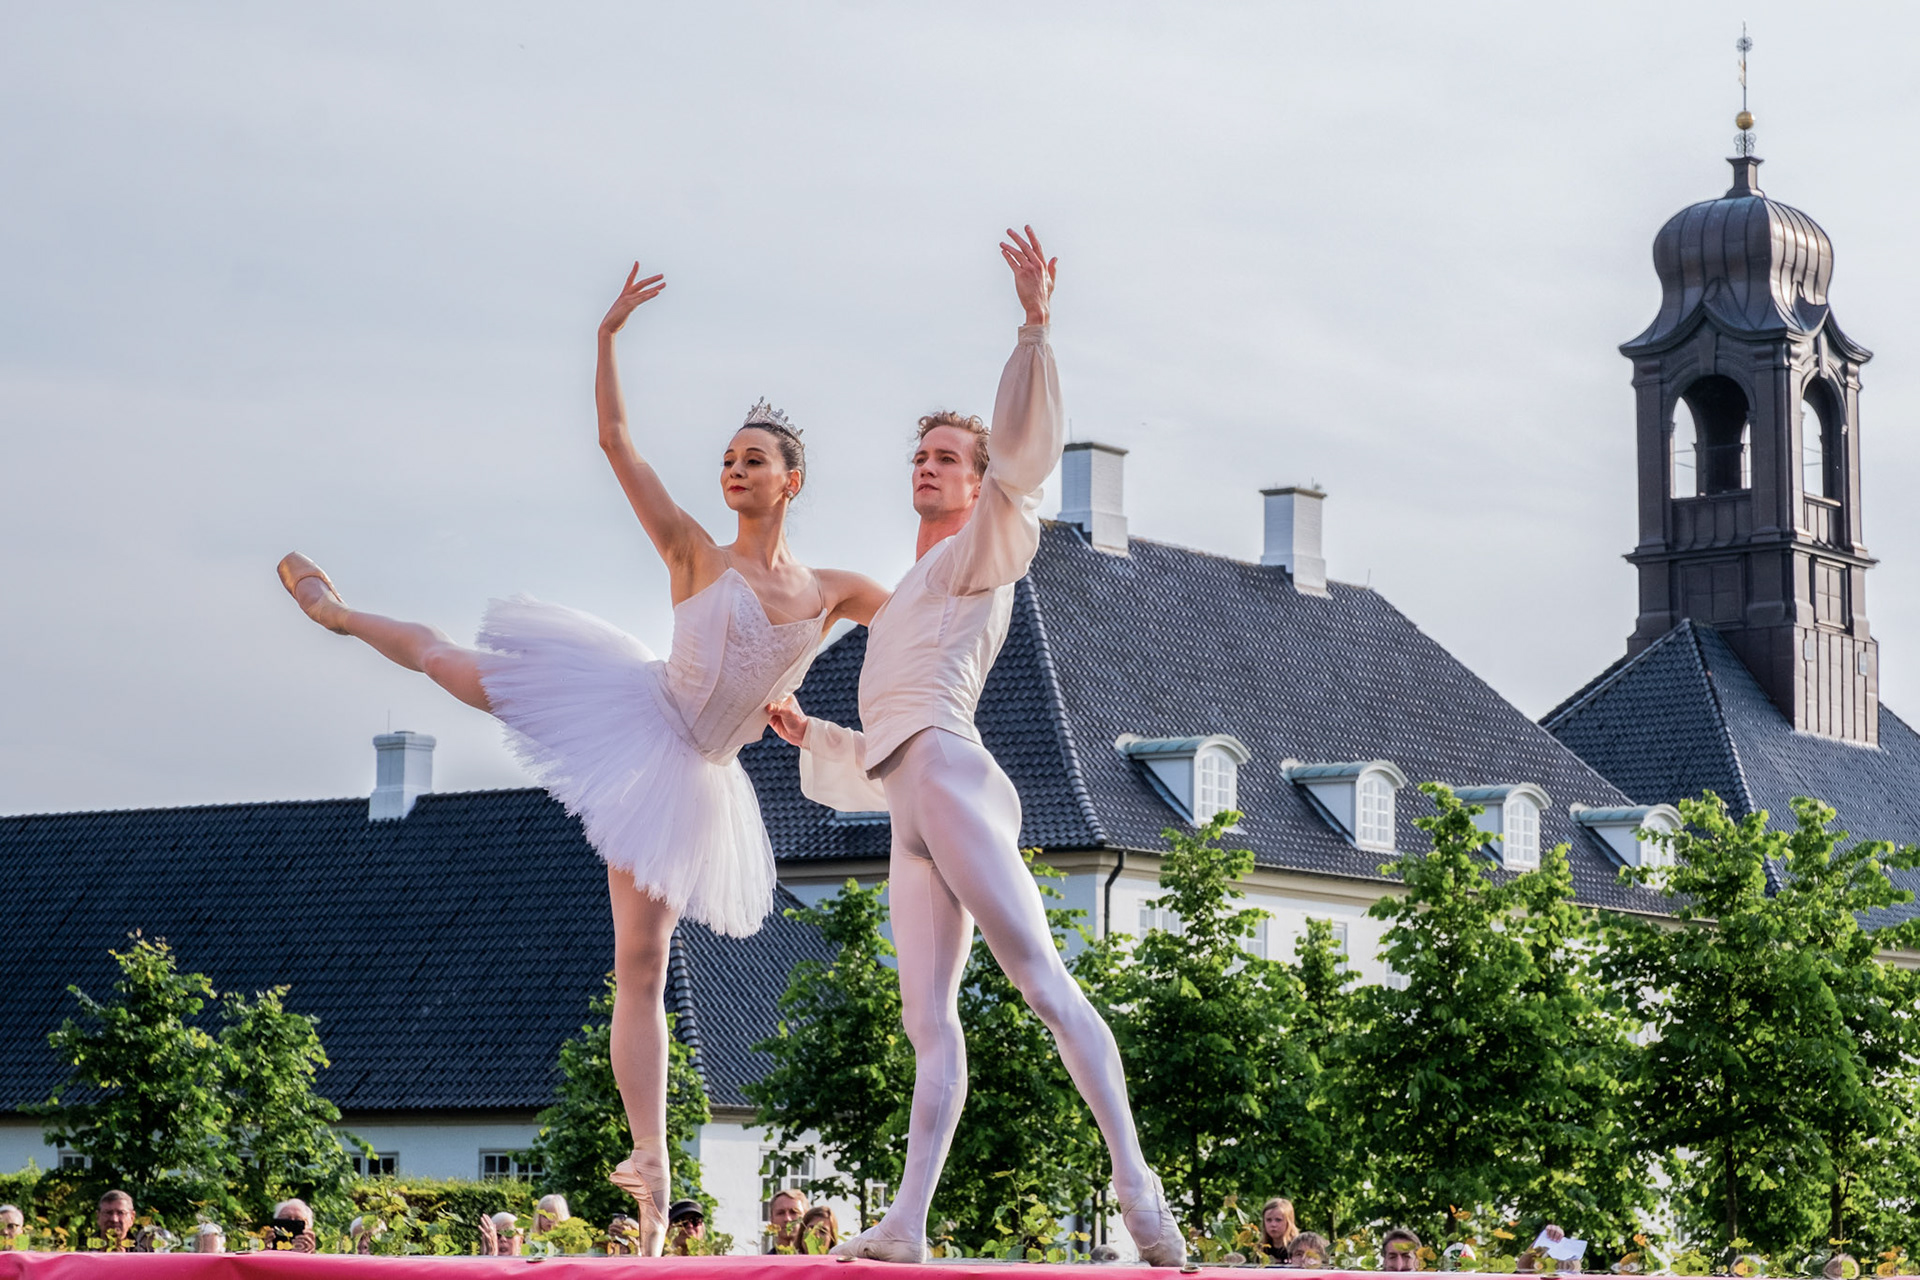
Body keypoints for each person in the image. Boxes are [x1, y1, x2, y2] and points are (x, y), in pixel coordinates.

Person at [277, 264, 886, 1256]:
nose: (733, 469)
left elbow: (921, 628)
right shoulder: (695, 550)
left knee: (641, 966)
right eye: (728, 457)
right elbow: (616, 443)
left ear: (792, 481)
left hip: (701, 771)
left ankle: (651, 1168)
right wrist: (607, 334)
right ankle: (339, 612)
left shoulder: (834, 589)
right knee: (453, 664)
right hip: (637, 720)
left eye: (754, 458)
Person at [768, 227, 1185, 1268]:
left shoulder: (982, 549)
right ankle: (906, 1221)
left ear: (975, 480)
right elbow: (886, 741)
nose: (927, 466)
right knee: (928, 1023)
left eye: (946, 457)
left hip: (951, 778)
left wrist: (1035, 326)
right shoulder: (910, 587)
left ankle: (1141, 1194)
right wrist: (809, 730)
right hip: (912, 797)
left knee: (1044, 980)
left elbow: (1026, 462)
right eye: (920, 455)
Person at [765, 1188, 808, 1253]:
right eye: (780, 1213)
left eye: (794, 1212)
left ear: (806, 1217)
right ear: (771, 1219)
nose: (787, 1219)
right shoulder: (764, 1262)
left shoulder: (818, 1261)